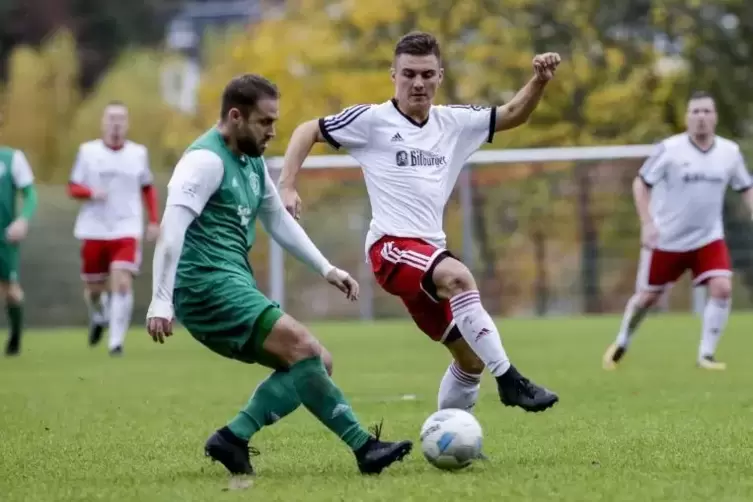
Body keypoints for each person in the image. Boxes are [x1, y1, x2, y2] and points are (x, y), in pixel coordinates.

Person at [145, 74, 412, 477]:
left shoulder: (251, 161)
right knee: (304, 347)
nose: (273, 131)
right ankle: (364, 448)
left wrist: (327, 268)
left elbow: (277, 220)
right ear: (235, 117)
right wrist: (160, 299)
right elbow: (171, 230)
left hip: (230, 283)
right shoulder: (204, 161)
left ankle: (233, 439)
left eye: (274, 122)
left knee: (318, 361)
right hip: (205, 287)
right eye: (265, 122)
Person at [279, 31, 560, 415]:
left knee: (470, 360)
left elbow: (512, 114)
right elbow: (307, 129)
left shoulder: (455, 123)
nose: (418, 83)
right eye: (409, 73)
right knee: (460, 277)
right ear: (392, 75)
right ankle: (511, 380)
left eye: (427, 74)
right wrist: (287, 185)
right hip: (391, 250)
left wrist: (540, 80)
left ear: (440, 76)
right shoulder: (371, 120)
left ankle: (447, 434)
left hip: (429, 256)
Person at [603, 91, 753, 371]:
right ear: (686, 118)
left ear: (715, 117)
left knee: (722, 288)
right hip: (667, 239)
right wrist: (647, 223)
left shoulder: (729, 152)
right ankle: (622, 340)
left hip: (708, 238)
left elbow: (746, 187)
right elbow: (641, 183)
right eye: (695, 112)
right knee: (649, 298)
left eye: (707, 112)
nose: (701, 118)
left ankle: (705, 355)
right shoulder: (669, 149)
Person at [68, 101, 160, 355]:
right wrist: (90, 192)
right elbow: (72, 187)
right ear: (103, 122)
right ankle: (98, 316)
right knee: (94, 289)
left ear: (127, 123)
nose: (116, 123)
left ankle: (116, 342)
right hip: (93, 228)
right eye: (111, 118)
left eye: (121, 118)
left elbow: (148, 187)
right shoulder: (87, 152)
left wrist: (153, 220)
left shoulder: (138, 153)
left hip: (126, 227)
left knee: (121, 281)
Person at [0, 144, 37, 356]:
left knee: (11, 291)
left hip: (4, 237)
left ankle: (15, 337)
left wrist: (23, 220)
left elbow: (30, 193)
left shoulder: (12, 158)